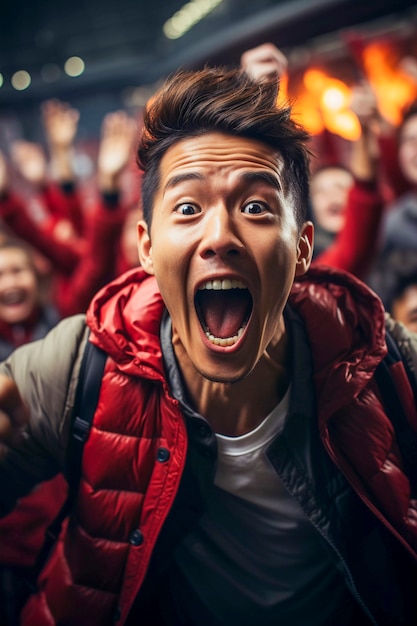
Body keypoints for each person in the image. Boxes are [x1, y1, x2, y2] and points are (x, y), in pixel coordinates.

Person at [0, 65, 416, 626]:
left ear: (301, 251)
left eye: (255, 208)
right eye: (188, 208)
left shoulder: (377, 360)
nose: (219, 237)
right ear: (146, 248)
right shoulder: (76, 368)